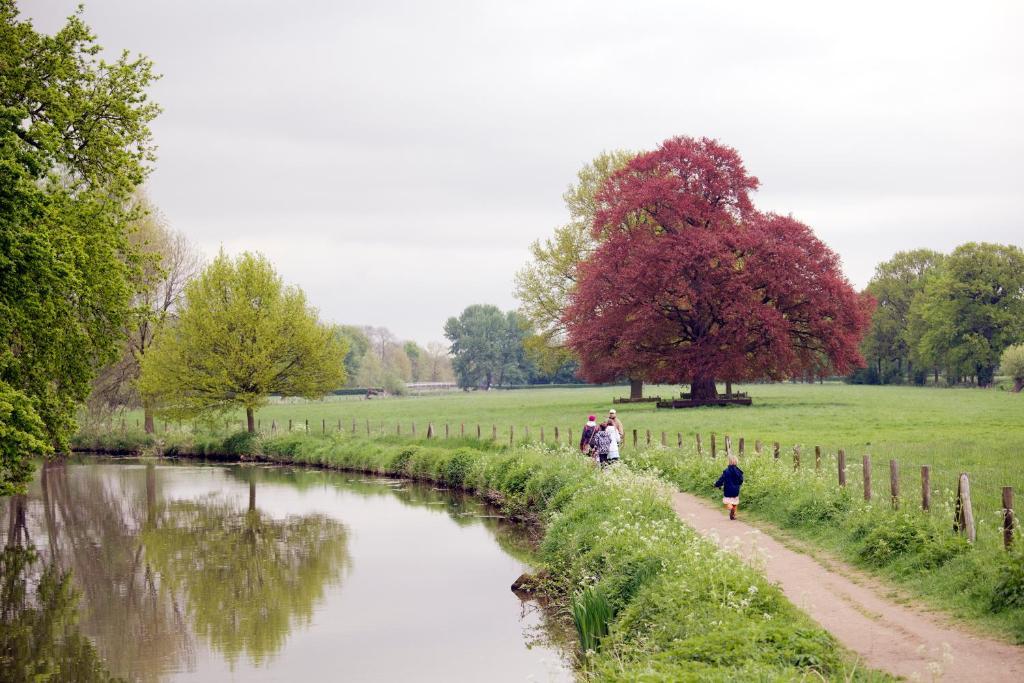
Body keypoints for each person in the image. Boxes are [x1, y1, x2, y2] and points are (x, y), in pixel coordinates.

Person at [714, 454, 744, 520]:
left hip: (728, 490)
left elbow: (721, 480)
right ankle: (733, 515)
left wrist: (716, 484)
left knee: (727, 502)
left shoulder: (726, 471)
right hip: (736, 490)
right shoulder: (738, 471)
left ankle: (731, 508)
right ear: (736, 462)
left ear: (729, 462)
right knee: (735, 503)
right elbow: (741, 480)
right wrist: (738, 484)